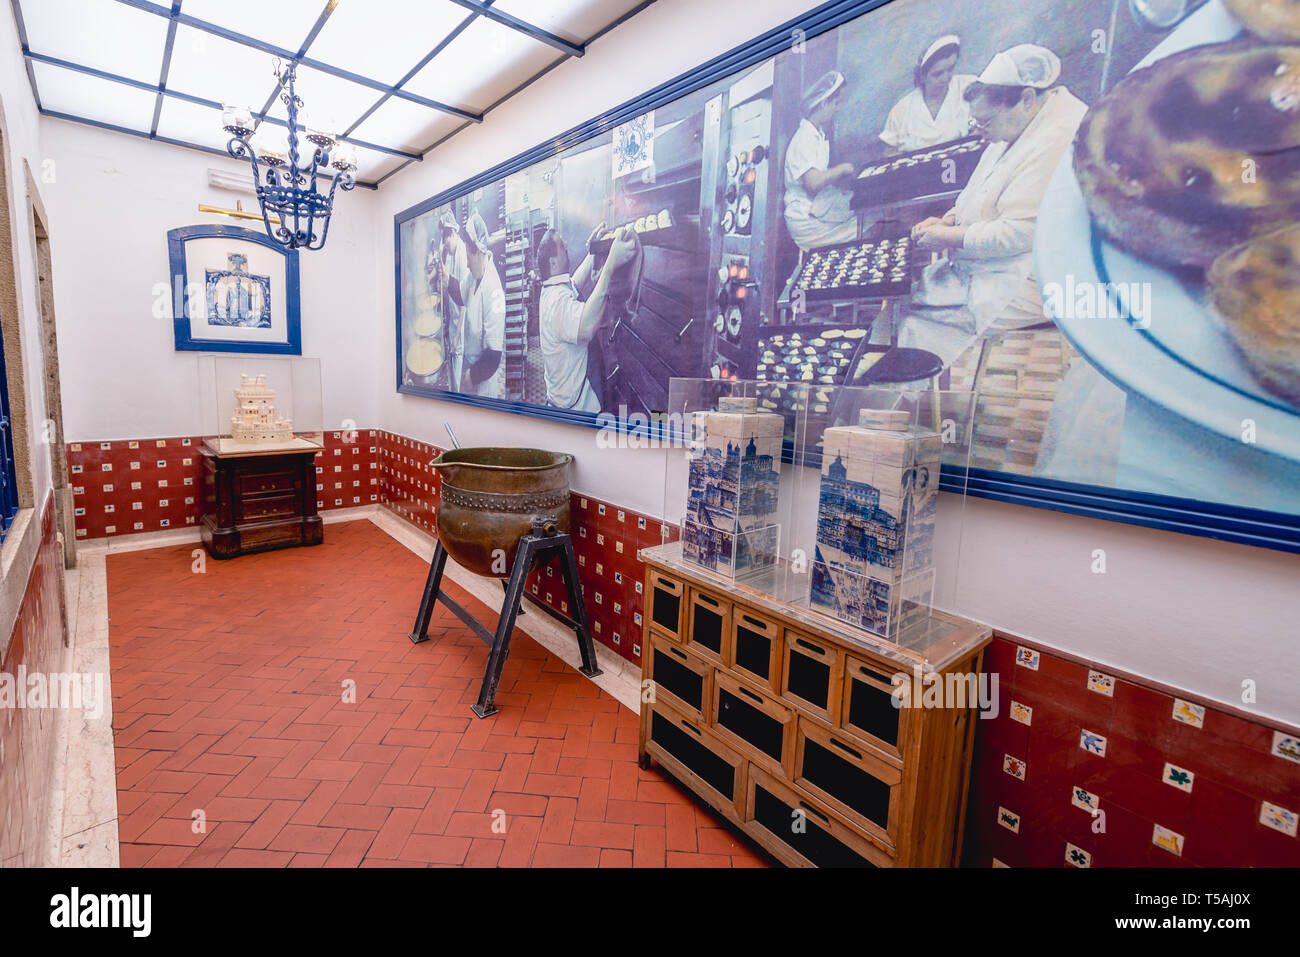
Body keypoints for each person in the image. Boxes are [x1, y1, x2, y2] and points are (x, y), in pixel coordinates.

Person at [895, 44, 1088, 367]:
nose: (982, 133)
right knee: (916, 293)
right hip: (991, 264)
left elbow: (1019, 233)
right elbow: (977, 193)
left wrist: (946, 237)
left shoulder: (1060, 135)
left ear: (1026, 99)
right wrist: (950, 218)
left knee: (920, 315)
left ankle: (924, 403)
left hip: (1033, 277)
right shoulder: (1017, 125)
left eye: (985, 123)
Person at [537, 222, 639, 412]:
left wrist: (592, 252)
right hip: (575, 410)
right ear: (553, 262)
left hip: (568, 401)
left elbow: (574, 284)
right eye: (561, 246)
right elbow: (586, 328)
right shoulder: (556, 303)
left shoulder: (553, 289)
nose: (566, 246)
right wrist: (610, 265)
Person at [784, 69, 857, 251]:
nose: (839, 108)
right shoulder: (804, 138)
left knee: (862, 213)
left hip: (816, 208)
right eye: (837, 103)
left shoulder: (818, 134)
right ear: (824, 103)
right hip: (804, 219)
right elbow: (813, 183)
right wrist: (842, 169)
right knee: (863, 228)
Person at [879, 35, 977, 153]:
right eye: (937, 74)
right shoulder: (901, 111)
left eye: (950, 69)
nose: (946, 78)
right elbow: (890, 153)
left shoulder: (968, 86)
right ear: (922, 76)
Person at [461, 211, 506, 399]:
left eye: (468, 256)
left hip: (483, 380)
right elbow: (460, 295)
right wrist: (447, 280)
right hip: (470, 363)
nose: (466, 263)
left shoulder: (493, 290)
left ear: (478, 251)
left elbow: (493, 356)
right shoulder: (473, 277)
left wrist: (470, 378)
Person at [430, 210, 471, 388]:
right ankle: (453, 388)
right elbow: (442, 273)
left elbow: (465, 302)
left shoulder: (462, 254)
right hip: (452, 315)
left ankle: (457, 393)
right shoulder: (448, 249)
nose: (444, 244)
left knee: (457, 354)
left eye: (445, 239)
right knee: (452, 357)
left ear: (453, 233)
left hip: (461, 318)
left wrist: (456, 336)